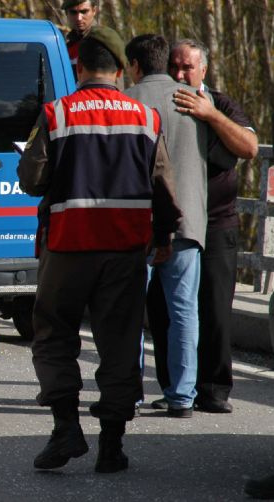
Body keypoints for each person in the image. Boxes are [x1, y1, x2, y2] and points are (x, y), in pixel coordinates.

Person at [17, 26, 181, 473]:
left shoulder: (56, 114)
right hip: (124, 251)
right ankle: (112, 445)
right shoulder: (146, 118)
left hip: (67, 246)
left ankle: (66, 429)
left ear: (80, 66)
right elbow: (164, 186)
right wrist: (164, 237)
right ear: (120, 69)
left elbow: (31, 180)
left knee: (53, 335)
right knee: (120, 343)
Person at [168, 38, 258, 413]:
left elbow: (250, 147)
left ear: (203, 70)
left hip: (218, 221)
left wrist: (211, 115)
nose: (180, 74)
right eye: (175, 66)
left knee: (216, 309)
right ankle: (176, 387)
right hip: (176, 222)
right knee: (169, 310)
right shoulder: (165, 101)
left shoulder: (221, 104)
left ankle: (214, 388)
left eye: (188, 67)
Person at [125, 34, 211, 418]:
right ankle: (182, 396)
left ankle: (129, 391)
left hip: (137, 223)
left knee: (128, 311)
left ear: (135, 65)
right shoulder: (195, 102)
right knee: (183, 311)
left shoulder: (127, 101)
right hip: (187, 221)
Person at [62, 0, 98, 82]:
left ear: (94, 11)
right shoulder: (66, 47)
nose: (79, 18)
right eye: (73, 12)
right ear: (66, 14)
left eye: (84, 11)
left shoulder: (105, 43)